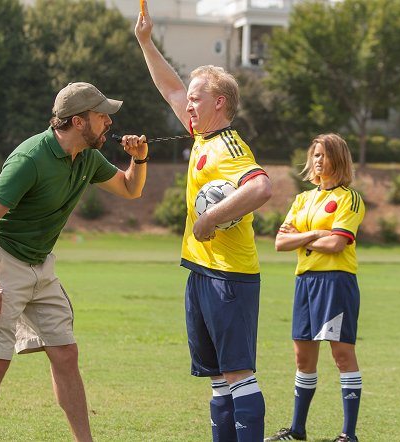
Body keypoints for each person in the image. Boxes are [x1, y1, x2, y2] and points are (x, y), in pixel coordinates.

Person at [0, 82, 149, 442]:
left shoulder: (88, 157)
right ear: (78, 122)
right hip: (3, 263)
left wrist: (138, 159)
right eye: (102, 115)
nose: (109, 121)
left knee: (65, 353)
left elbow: (130, 189)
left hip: (41, 265)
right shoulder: (30, 158)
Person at [134, 3, 273, 441]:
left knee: (238, 375)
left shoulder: (230, 148)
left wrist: (210, 217)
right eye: (189, 100)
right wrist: (145, 42)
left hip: (229, 277)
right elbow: (171, 89)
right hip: (200, 272)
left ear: (219, 103)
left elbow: (262, 188)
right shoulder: (202, 133)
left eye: (196, 99)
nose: (186, 105)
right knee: (217, 379)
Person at [266, 134, 365, 442]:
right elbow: (281, 242)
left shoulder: (350, 199)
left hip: (336, 281)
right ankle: (297, 429)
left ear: (339, 158)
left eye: (325, 154)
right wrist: (315, 233)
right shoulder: (303, 199)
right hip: (305, 281)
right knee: (303, 358)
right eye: (315, 154)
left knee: (342, 355)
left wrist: (304, 235)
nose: (319, 160)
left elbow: (337, 244)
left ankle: (348, 434)